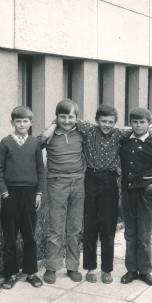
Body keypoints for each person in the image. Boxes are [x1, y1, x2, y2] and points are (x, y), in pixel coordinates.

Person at [42, 104, 152, 284]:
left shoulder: (120, 134)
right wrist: (53, 123)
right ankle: (91, 268)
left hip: (110, 181)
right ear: (97, 120)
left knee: (108, 227)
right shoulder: (88, 129)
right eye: (103, 121)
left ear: (115, 123)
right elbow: (67, 117)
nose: (106, 125)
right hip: (89, 179)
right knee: (90, 226)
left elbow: (141, 134)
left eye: (110, 122)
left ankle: (107, 269)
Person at [0, 106, 44, 289]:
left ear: (31, 123)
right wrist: (4, 192)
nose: (22, 124)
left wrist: (39, 193)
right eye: (18, 121)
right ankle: (10, 274)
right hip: (10, 194)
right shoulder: (5, 143)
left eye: (25, 121)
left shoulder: (35, 144)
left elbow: (40, 169)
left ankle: (31, 272)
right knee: (10, 235)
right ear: (12, 123)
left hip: (30, 194)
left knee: (29, 235)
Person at [40, 99, 85, 284]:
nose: (67, 121)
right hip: (57, 183)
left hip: (78, 182)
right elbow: (39, 142)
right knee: (56, 227)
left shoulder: (82, 133)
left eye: (71, 117)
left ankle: (73, 267)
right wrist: (52, 126)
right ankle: (52, 267)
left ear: (77, 118)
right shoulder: (50, 134)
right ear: (56, 117)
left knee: (74, 228)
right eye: (62, 117)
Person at [120, 107, 152, 286]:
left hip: (145, 194)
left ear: (148, 124)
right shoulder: (125, 141)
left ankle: (145, 271)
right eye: (135, 122)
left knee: (145, 234)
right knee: (130, 233)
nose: (138, 125)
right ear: (130, 123)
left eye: (142, 122)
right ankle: (131, 270)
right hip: (127, 192)